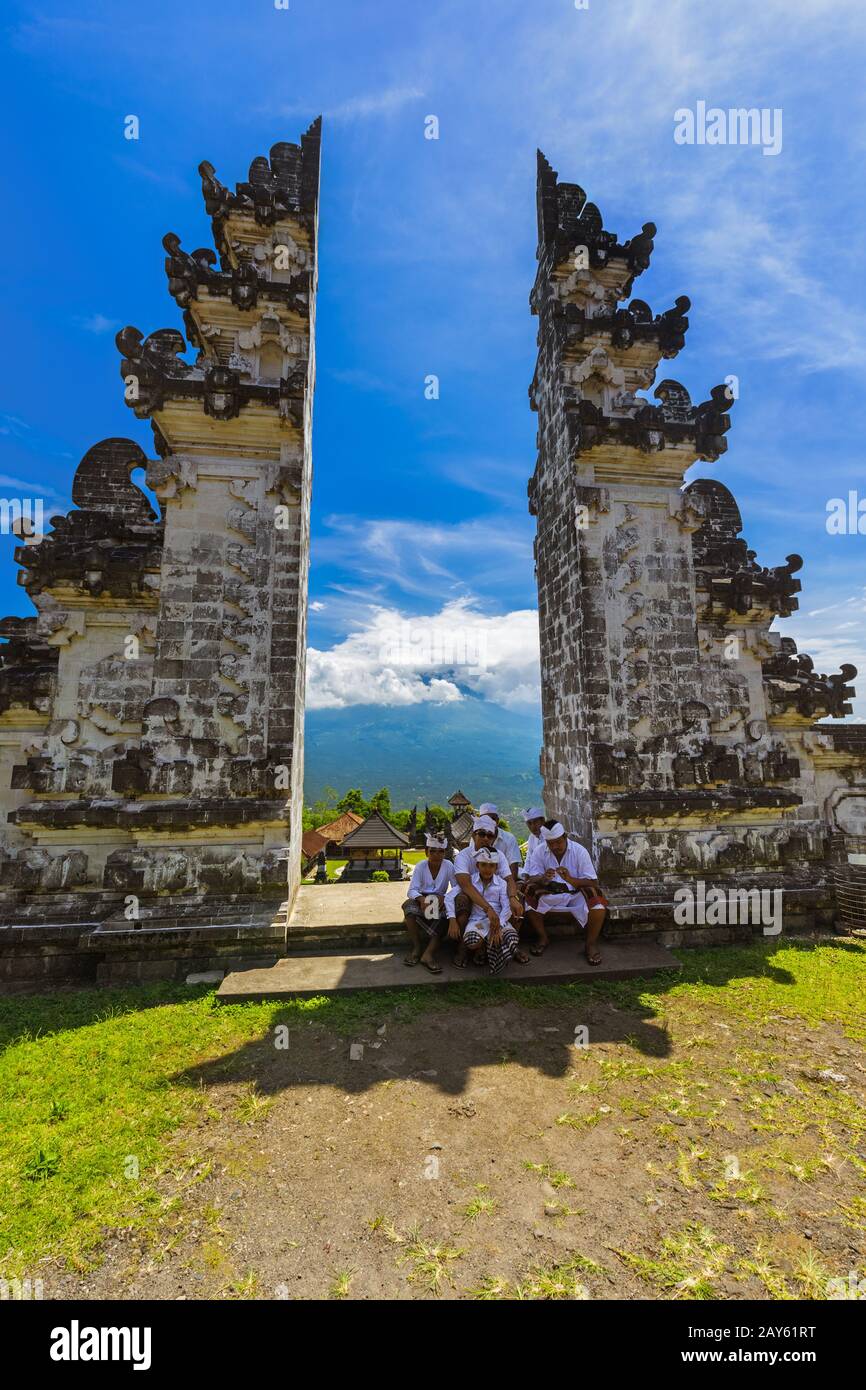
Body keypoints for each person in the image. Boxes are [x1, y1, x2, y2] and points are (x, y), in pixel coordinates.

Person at [523, 820, 608, 964]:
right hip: (550, 894)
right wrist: (543, 878)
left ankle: (591, 944)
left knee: (597, 902)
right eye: (551, 843)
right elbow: (531, 878)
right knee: (529, 893)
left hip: (575, 894)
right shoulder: (540, 851)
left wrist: (570, 879)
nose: (555, 847)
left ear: (565, 837)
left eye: (558, 842)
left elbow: (593, 882)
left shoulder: (579, 851)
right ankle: (543, 937)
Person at [445, 848, 528, 973]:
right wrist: (451, 919)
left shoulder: (501, 883)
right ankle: (485, 948)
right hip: (477, 921)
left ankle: (487, 949)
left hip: (499, 921)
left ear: (496, 867)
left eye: (491, 866)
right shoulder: (470, 881)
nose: (487, 869)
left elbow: (506, 907)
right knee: (471, 941)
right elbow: (449, 897)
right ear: (477, 865)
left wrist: (498, 925)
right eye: (483, 865)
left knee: (512, 938)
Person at [450, 815, 523, 953]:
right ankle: (462, 948)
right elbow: (466, 886)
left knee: (519, 899)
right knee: (462, 898)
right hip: (472, 899)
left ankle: (508, 945)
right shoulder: (463, 856)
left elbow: (509, 880)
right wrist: (488, 909)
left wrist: (513, 898)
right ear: (473, 835)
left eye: (489, 836)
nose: (485, 838)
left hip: (494, 898)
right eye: (482, 834)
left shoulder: (498, 854)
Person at [401, 833, 458, 974]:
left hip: (440, 900)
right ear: (426, 852)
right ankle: (417, 947)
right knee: (408, 907)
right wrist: (421, 899)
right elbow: (412, 890)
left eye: (440, 851)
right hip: (422, 899)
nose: (436, 854)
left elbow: (457, 887)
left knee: (445, 918)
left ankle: (428, 954)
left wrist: (445, 898)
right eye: (432, 851)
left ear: (444, 853)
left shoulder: (449, 865)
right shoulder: (421, 866)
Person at [478, 802, 521, 879]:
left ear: (497, 821)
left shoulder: (509, 838)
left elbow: (513, 866)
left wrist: (509, 886)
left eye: (492, 819)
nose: (489, 822)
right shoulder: (476, 839)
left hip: (504, 881)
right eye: (485, 819)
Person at [518, 807, 545, 880]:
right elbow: (529, 858)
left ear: (543, 821)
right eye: (529, 823)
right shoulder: (531, 838)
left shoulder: (549, 838)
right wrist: (526, 874)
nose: (533, 826)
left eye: (535, 822)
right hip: (533, 876)